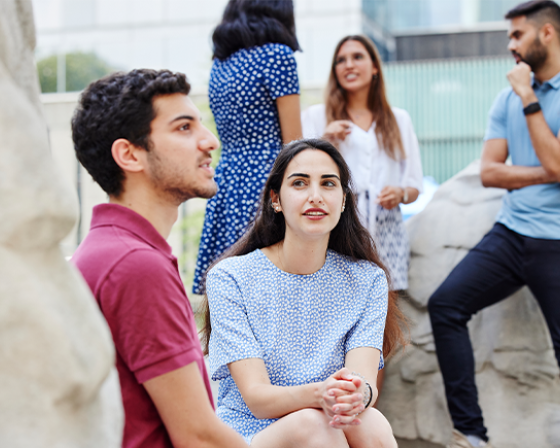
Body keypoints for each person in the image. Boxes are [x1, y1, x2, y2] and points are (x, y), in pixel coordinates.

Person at [71, 69, 249, 448]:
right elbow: (199, 436)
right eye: (184, 128)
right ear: (130, 154)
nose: (210, 141)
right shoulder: (135, 265)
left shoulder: (108, 252)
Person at [202, 139, 404, 447]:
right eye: (299, 183)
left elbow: (364, 381)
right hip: (250, 433)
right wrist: (319, 395)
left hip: (328, 421)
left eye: (328, 184)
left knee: (370, 421)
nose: (315, 196)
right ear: (276, 199)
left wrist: (359, 394)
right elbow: (258, 399)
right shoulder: (230, 279)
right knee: (315, 423)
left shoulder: (367, 280)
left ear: (344, 200)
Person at [428, 1, 560, 447]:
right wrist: (546, 173)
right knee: (446, 305)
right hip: (511, 233)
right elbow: (491, 172)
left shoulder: (518, 94)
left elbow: (556, 161)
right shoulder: (505, 96)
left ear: (547, 33)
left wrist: (529, 98)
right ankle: (471, 433)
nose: (511, 46)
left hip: (556, 240)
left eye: (517, 35)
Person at [193, 0, 302, 294]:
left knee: (234, 287)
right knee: (277, 287)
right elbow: (293, 143)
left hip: (227, 181)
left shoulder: (221, 64)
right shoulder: (278, 57)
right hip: (268, 179)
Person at [302, 35, 423, 293]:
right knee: (334, 301)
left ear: (375, 66)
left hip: (386, 226)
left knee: (386, 310)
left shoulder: (399, 120)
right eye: (341, 60)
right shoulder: (316, 116)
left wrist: (400, 193)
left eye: (358, 57)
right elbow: (298, 172)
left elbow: (414, 186)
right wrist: (325, 140)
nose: (349, 65)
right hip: (339, 223)